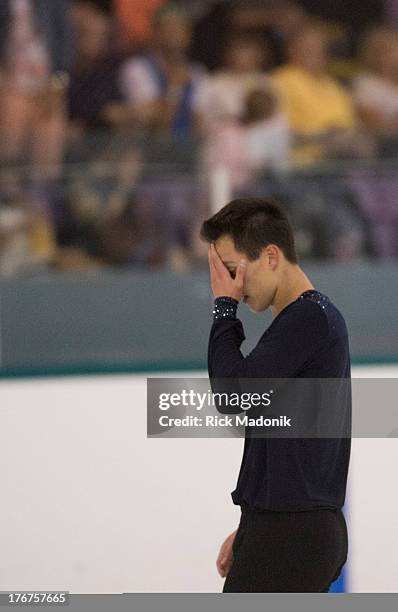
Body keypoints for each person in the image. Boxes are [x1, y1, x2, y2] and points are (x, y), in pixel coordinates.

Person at [200, 198, 351, 592]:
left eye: (233, 271)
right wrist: (251, 526)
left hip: (293, 531)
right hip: (285, 528)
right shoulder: (299, 324)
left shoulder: (309, 319)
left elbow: (232, 397)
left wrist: (223, 310)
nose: (231, 286)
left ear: (270, 256)